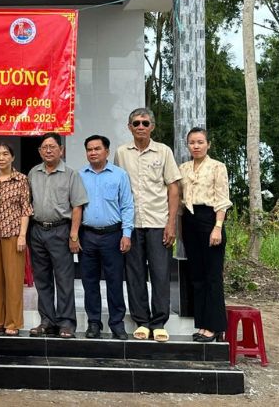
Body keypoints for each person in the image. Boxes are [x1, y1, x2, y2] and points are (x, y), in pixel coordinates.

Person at [114, 108, 181, 342]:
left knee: (160, 273)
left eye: (145, 123)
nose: (140, 126)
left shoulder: (163, 152)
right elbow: (118, 187)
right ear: (129, 126)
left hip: (157, 222)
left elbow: (174, 187)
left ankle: (159, 321)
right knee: (134, 273)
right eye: (136, 123)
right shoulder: (121, 153)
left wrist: (171, 223)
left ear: (152, 126)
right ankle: (141, 321)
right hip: (131, 224)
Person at [27, 132, 88, 339]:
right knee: (42, 280)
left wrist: (73, 235)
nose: (49, 150)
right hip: (37, 231)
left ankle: (67, 322)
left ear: (61, 150)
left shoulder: (71, 174)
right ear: (39, 151)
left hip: (61, 230)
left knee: (63, 279)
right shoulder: (33, 173)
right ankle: (47, 321)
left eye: (53, 146)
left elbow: (77, 206)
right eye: (44, 147)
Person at [178, 127, 232, 342]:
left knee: (212, 276)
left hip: (209, 218)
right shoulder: (183, 168)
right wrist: (181, 231)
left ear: (208, 144)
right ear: (188, 145)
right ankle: (201, 323)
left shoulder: (217, 167)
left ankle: (215, 326)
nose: (196, 146)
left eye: (200, 142)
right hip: (189, 221)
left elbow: (222, 199)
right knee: (197, 276)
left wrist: (217, 227)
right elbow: (180, 202)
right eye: (192, 142)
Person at [78, 135, 134, 340]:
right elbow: (75, 207)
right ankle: (94, 323)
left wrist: (127, 234)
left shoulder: (119, 175)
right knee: (89, 281)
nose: (93, 152)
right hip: (87, 235)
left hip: (113, 235)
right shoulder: (80, 176)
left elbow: (128, 206)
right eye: (89, 149)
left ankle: (117, 323)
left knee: (114, 280)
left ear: (107, 152)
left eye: (97, 149)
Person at [0, 142, 33, 336]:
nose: (1, 158)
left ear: (12, 157)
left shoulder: (21, 179)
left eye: (5, 154)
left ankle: (13, 322)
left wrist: (22, 236)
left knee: (13, 280)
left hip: (13, 235)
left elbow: (25, 210)